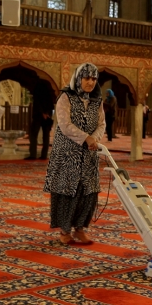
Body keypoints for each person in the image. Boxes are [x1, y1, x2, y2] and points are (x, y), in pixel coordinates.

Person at [43, 63, 105, 244]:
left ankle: (79, 229)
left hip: (89, 154)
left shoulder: (96, 101)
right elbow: (64, 125)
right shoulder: (65, 97)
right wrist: (86, 138)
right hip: (67, 154)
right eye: (87, 78)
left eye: (94, 79)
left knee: (88, 191)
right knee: (67, 191)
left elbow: (102, 124)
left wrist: (94, 138)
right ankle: (64, 231)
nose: (91, 82)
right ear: (78, 78)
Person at [26, 82, 54, 160]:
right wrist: (47, 113)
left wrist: (42, 113)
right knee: (46, 136)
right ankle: (44, 155)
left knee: (33, 135)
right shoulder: (49, 93)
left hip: (38, 116)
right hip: (47, 116)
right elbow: (51, 105)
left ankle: (33, 155)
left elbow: (37, 103)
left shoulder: (37, 90)